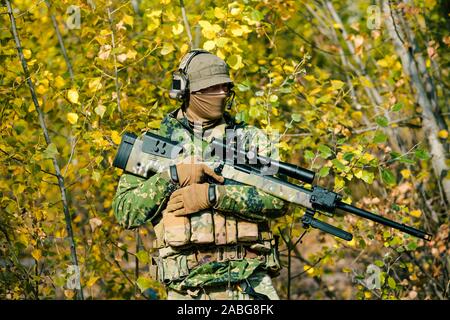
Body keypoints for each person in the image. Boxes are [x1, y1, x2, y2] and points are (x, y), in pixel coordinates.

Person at [112, 49, 289, 300]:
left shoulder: (252, 139)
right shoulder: (153, 144)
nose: (221, 95)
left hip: (249, 280)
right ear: (185, 91)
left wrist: (215, 195)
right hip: (187, 287)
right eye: (210, 89)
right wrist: (171, 177)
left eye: (225, 88)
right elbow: (125, 211)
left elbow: (279, 200)